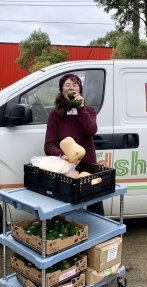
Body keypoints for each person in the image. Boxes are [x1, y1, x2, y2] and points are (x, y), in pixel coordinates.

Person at [44, 73, 104, 216]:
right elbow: (49, 144)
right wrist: (61, 155)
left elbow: (91, 131)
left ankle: (99, 234)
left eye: (75, 84)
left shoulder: (88, 111)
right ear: (62, 90)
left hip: (89, 166)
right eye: (67, 85)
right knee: (67, 206)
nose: (71, 87)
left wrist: (80, 108)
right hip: (66, 167)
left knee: (94, 204)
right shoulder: (55, 115)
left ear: (80, 90)